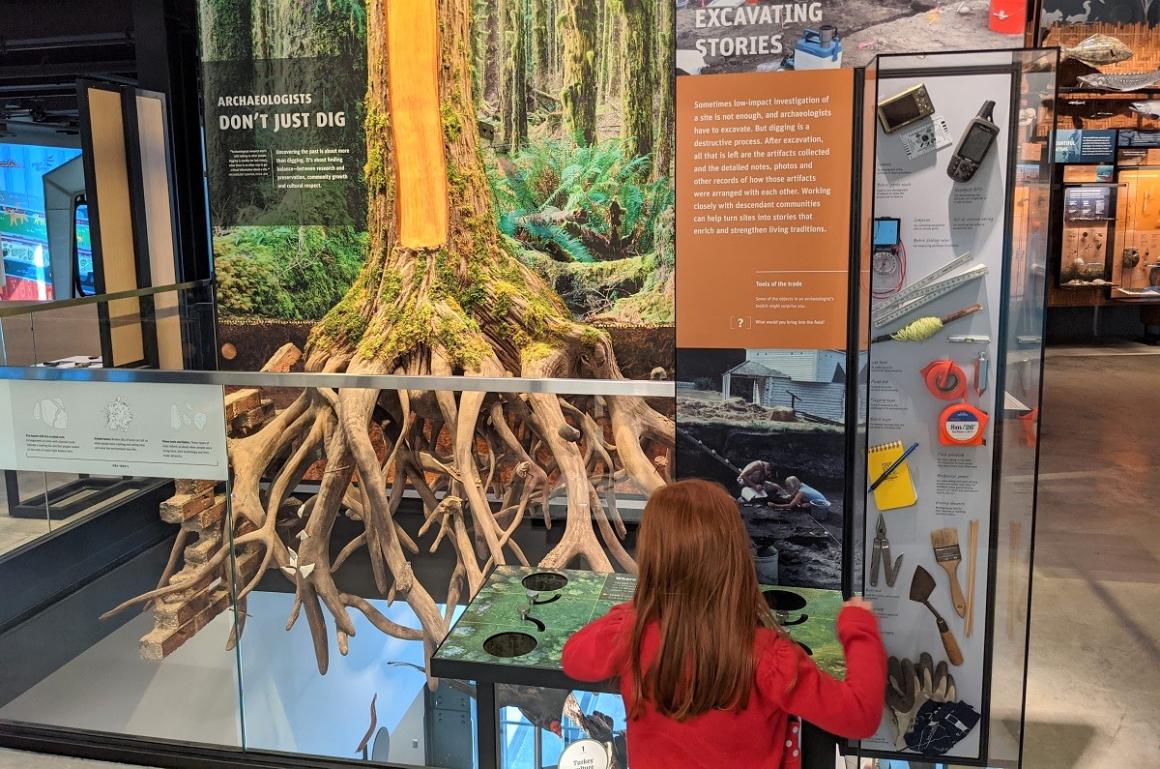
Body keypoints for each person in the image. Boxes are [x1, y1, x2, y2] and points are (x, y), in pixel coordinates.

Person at [562, 479, 886, 769]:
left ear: (652, 561)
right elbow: (859, 715)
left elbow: (573, 658)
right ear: (735, 557)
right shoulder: (768, 657)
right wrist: (859, 628)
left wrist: (638, 607)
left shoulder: (630, 633)